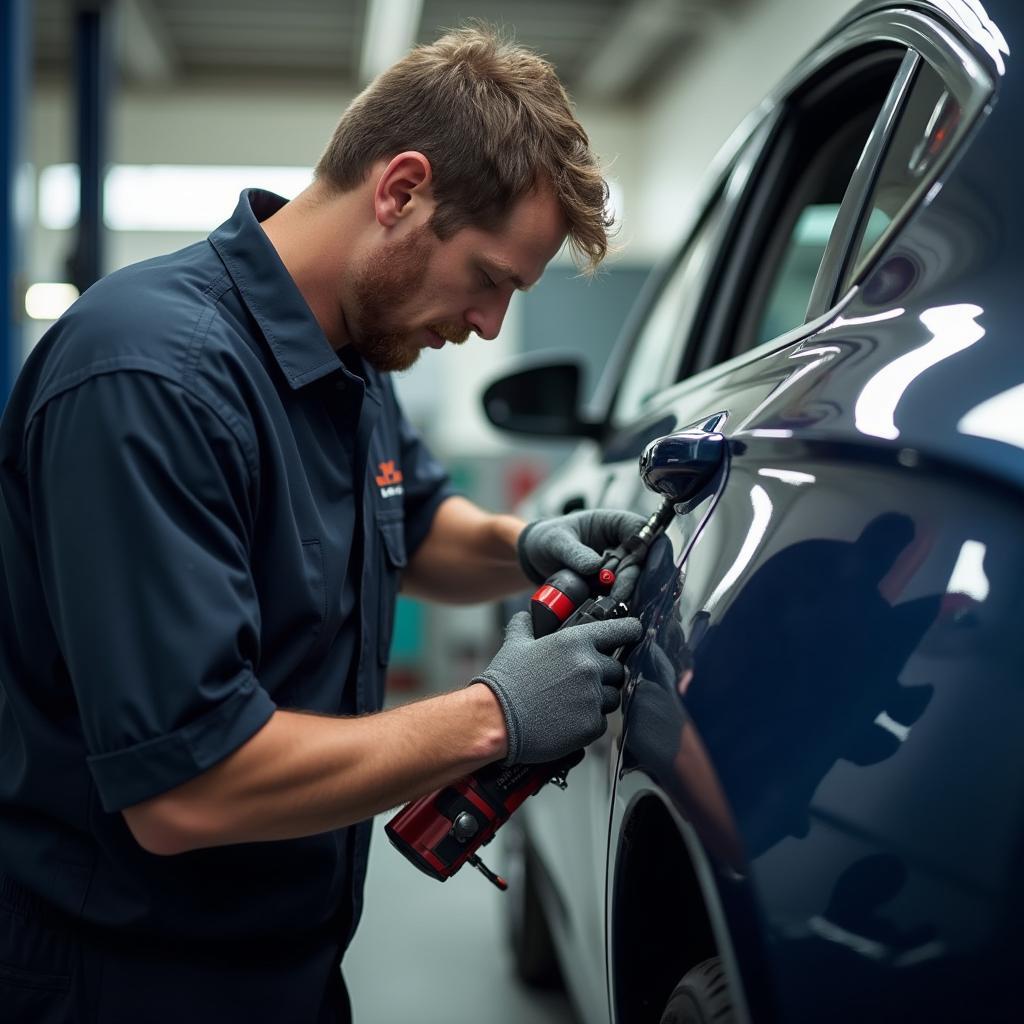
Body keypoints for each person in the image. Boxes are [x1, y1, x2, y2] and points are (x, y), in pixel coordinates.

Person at [0, 25, 645, 1023]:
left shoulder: (354, 353)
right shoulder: (149, 377)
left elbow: (417, 517)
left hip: (286, 963)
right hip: (122, 980)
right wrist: (491, 713)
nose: (487, 327)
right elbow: (190, 786)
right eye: (487, 279)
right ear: (399, 191)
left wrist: (520, 543)